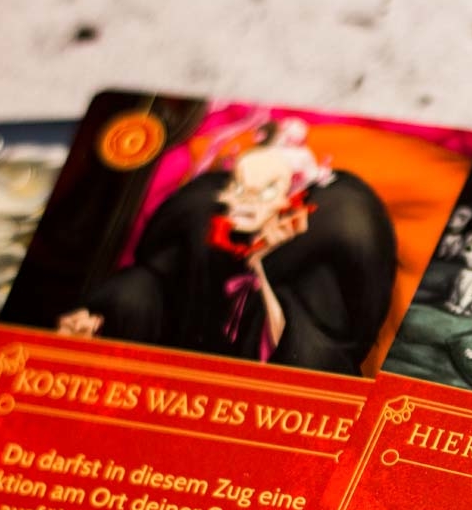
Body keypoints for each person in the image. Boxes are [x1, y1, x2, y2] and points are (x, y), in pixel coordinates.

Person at [56, 119, 395, 376]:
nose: (243, 202)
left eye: (265, 191)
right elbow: (153, 282)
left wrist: (259, 266)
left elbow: (311, 354)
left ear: (292, 198)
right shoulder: (201, 230)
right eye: (238, 188)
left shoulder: (317, 255)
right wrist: (101, 314)